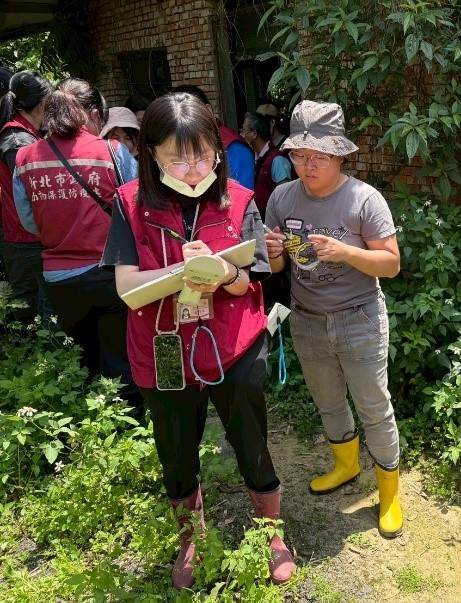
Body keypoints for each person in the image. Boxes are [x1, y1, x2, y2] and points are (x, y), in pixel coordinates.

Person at [102, 92, 295, 589]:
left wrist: (222, 272)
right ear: (152, 155)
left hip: (234, 342)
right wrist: (182, 270)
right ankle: (190, 537)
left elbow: (252, 275)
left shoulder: (239, 196)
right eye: (176, 156)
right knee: (176, 445)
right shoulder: (128, 204)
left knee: (250, 435)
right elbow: (127, 288)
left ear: (216, 147)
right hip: (162, 346)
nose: (192, 168)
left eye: (203, 153)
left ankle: (271, 534)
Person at [264, 100, 403, 538]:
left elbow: (391, 264)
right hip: (306, 318)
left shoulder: (364, 199)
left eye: (319, 156)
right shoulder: (282, 197)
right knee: (328, 400)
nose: (308, 165)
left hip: (359, 317)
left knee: (374, 407)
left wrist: (346, 252)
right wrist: (272, 257)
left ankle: (390, 491)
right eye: (300, 155)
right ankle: (345, 466)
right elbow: (278, 270)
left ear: (340, 155)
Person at [12, 78, 141, 407]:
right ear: (84, 115)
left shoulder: (25, 159)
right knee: (119, 358)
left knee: (81, 360)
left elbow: (28, 221)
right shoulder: (111, 151)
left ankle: (89, 427)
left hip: (59, 281)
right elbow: (137, 204)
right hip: (110, 273)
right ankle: (129, 429)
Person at [0, 70, 53, 320]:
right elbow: (33, 188)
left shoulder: (25, 134)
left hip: (29, 232)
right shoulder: (17, 140)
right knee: (28, 301)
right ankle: (25, 352)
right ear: (42, 104)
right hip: (23, 236)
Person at [172, 84, 255, 190]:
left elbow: (242, 200)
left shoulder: (234, 148)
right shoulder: (171, 150)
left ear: (208, 110)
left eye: (187, 114)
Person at [240, 111, 292, 214]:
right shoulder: (251, 158)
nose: (242, 134)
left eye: (244, 130)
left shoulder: (278, 160)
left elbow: (286, 197)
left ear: (254, 134)